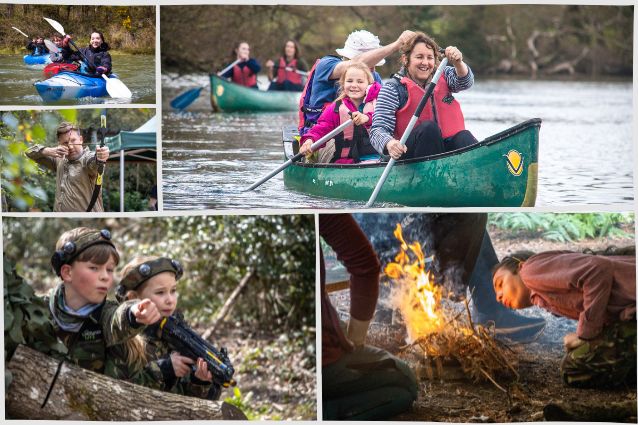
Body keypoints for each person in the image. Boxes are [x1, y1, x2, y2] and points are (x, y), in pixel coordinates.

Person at [492, 249, 636, 388]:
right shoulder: (542, 294)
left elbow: (598, 268)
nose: (498, 297)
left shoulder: (530, 270)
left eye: (500, 284)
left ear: (520, 266)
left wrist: (585, 335)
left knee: (573, 368)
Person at [321, 214, 418, 420]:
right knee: (406, 382)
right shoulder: (323, 214)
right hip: (325, 360)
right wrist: (355, 341)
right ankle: (327, 413)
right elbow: (365, 265)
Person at [45, 227, 160, 374]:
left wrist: (134, 313)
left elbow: (116, 319)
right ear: (67, 272)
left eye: (110, 269)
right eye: (94, 268)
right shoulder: (39, 309)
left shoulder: (105, 312)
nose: (105, 277)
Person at [111, 256, 222, 400]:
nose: (170, 300)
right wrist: (164, 370)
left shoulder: (177, 333)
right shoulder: (123, 339)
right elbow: (115, 395)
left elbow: (187, 401)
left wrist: (199, 380)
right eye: (160, 292)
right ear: (133, 297)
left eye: (173, 290)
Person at [370, 32, 478, 160]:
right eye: (419, 57)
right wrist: (390, 143)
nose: (425, 63)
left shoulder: (444, 75)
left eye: (430, 58)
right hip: (410, 155)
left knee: (463, 136)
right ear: (406, 59)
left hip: (444, 148)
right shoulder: (393, 88)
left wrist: (458, 63)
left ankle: (481, 171)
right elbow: (377, 130)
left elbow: (466, 82)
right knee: (429, 129)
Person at [299, 29, 415, 134]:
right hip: (321, 134)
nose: (372, 69)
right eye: (371, 63)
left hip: (360, 135)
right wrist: (397, 44)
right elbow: (358, 63)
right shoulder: (326, 65)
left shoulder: (374, 77)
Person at [298, 62, 381, 164]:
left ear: (369, 85)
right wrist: (309, 140)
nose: (354, 85)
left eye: (360, 82)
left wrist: (367, 118)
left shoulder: (379, 103)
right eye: (349, 81)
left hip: (379, 159)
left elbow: (385, 121)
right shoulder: (336, 109)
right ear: (343, 84)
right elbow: (321, 128)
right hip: (346, 162)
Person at [25, 122, 110, 212]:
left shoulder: (88, 159)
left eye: (73, 140)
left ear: (81, 139)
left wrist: (100, 157)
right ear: (60, 144)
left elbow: (94, 163)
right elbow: (28, 153)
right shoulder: (58, 160)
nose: (70, 146)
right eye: (65, 143)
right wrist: (48, 150)